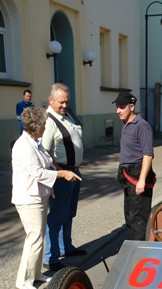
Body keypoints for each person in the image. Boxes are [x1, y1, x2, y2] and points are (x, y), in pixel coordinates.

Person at [11, 107, 81, 289]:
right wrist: (62, 173)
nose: (44, 127)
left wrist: (64, 169)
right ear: (35, 126)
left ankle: (35, 274)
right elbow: (38, 173)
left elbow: (48, 160)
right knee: (34, 238)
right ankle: (23, 280)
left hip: (38, 196)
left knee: (38, 237)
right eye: (42, 125)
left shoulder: (35, 142)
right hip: (28, 198)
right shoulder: (24, 146)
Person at [41, 83, 86, 271]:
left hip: (74, 173)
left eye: (67, 102)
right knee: (57, 216)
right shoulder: (49, 121)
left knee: (69, 214)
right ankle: (50, 258)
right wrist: (62, 172)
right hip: (62, 175)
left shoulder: (67, 115)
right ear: (51, 100)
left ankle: (66, 247)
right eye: (61, 102)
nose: (65, 105)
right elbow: (45, 152)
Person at [113, 91, 156, 240]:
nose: (117, 110)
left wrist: (142, 180)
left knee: (138, 219)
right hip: (128, 176)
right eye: (117, 107)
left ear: (131, 107)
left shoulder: (142, 126)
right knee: (130, 216)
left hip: (138, 177)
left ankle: (139, 252)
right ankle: (132, 246)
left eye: (121, 107)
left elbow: (148, 155)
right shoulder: (126, 124)